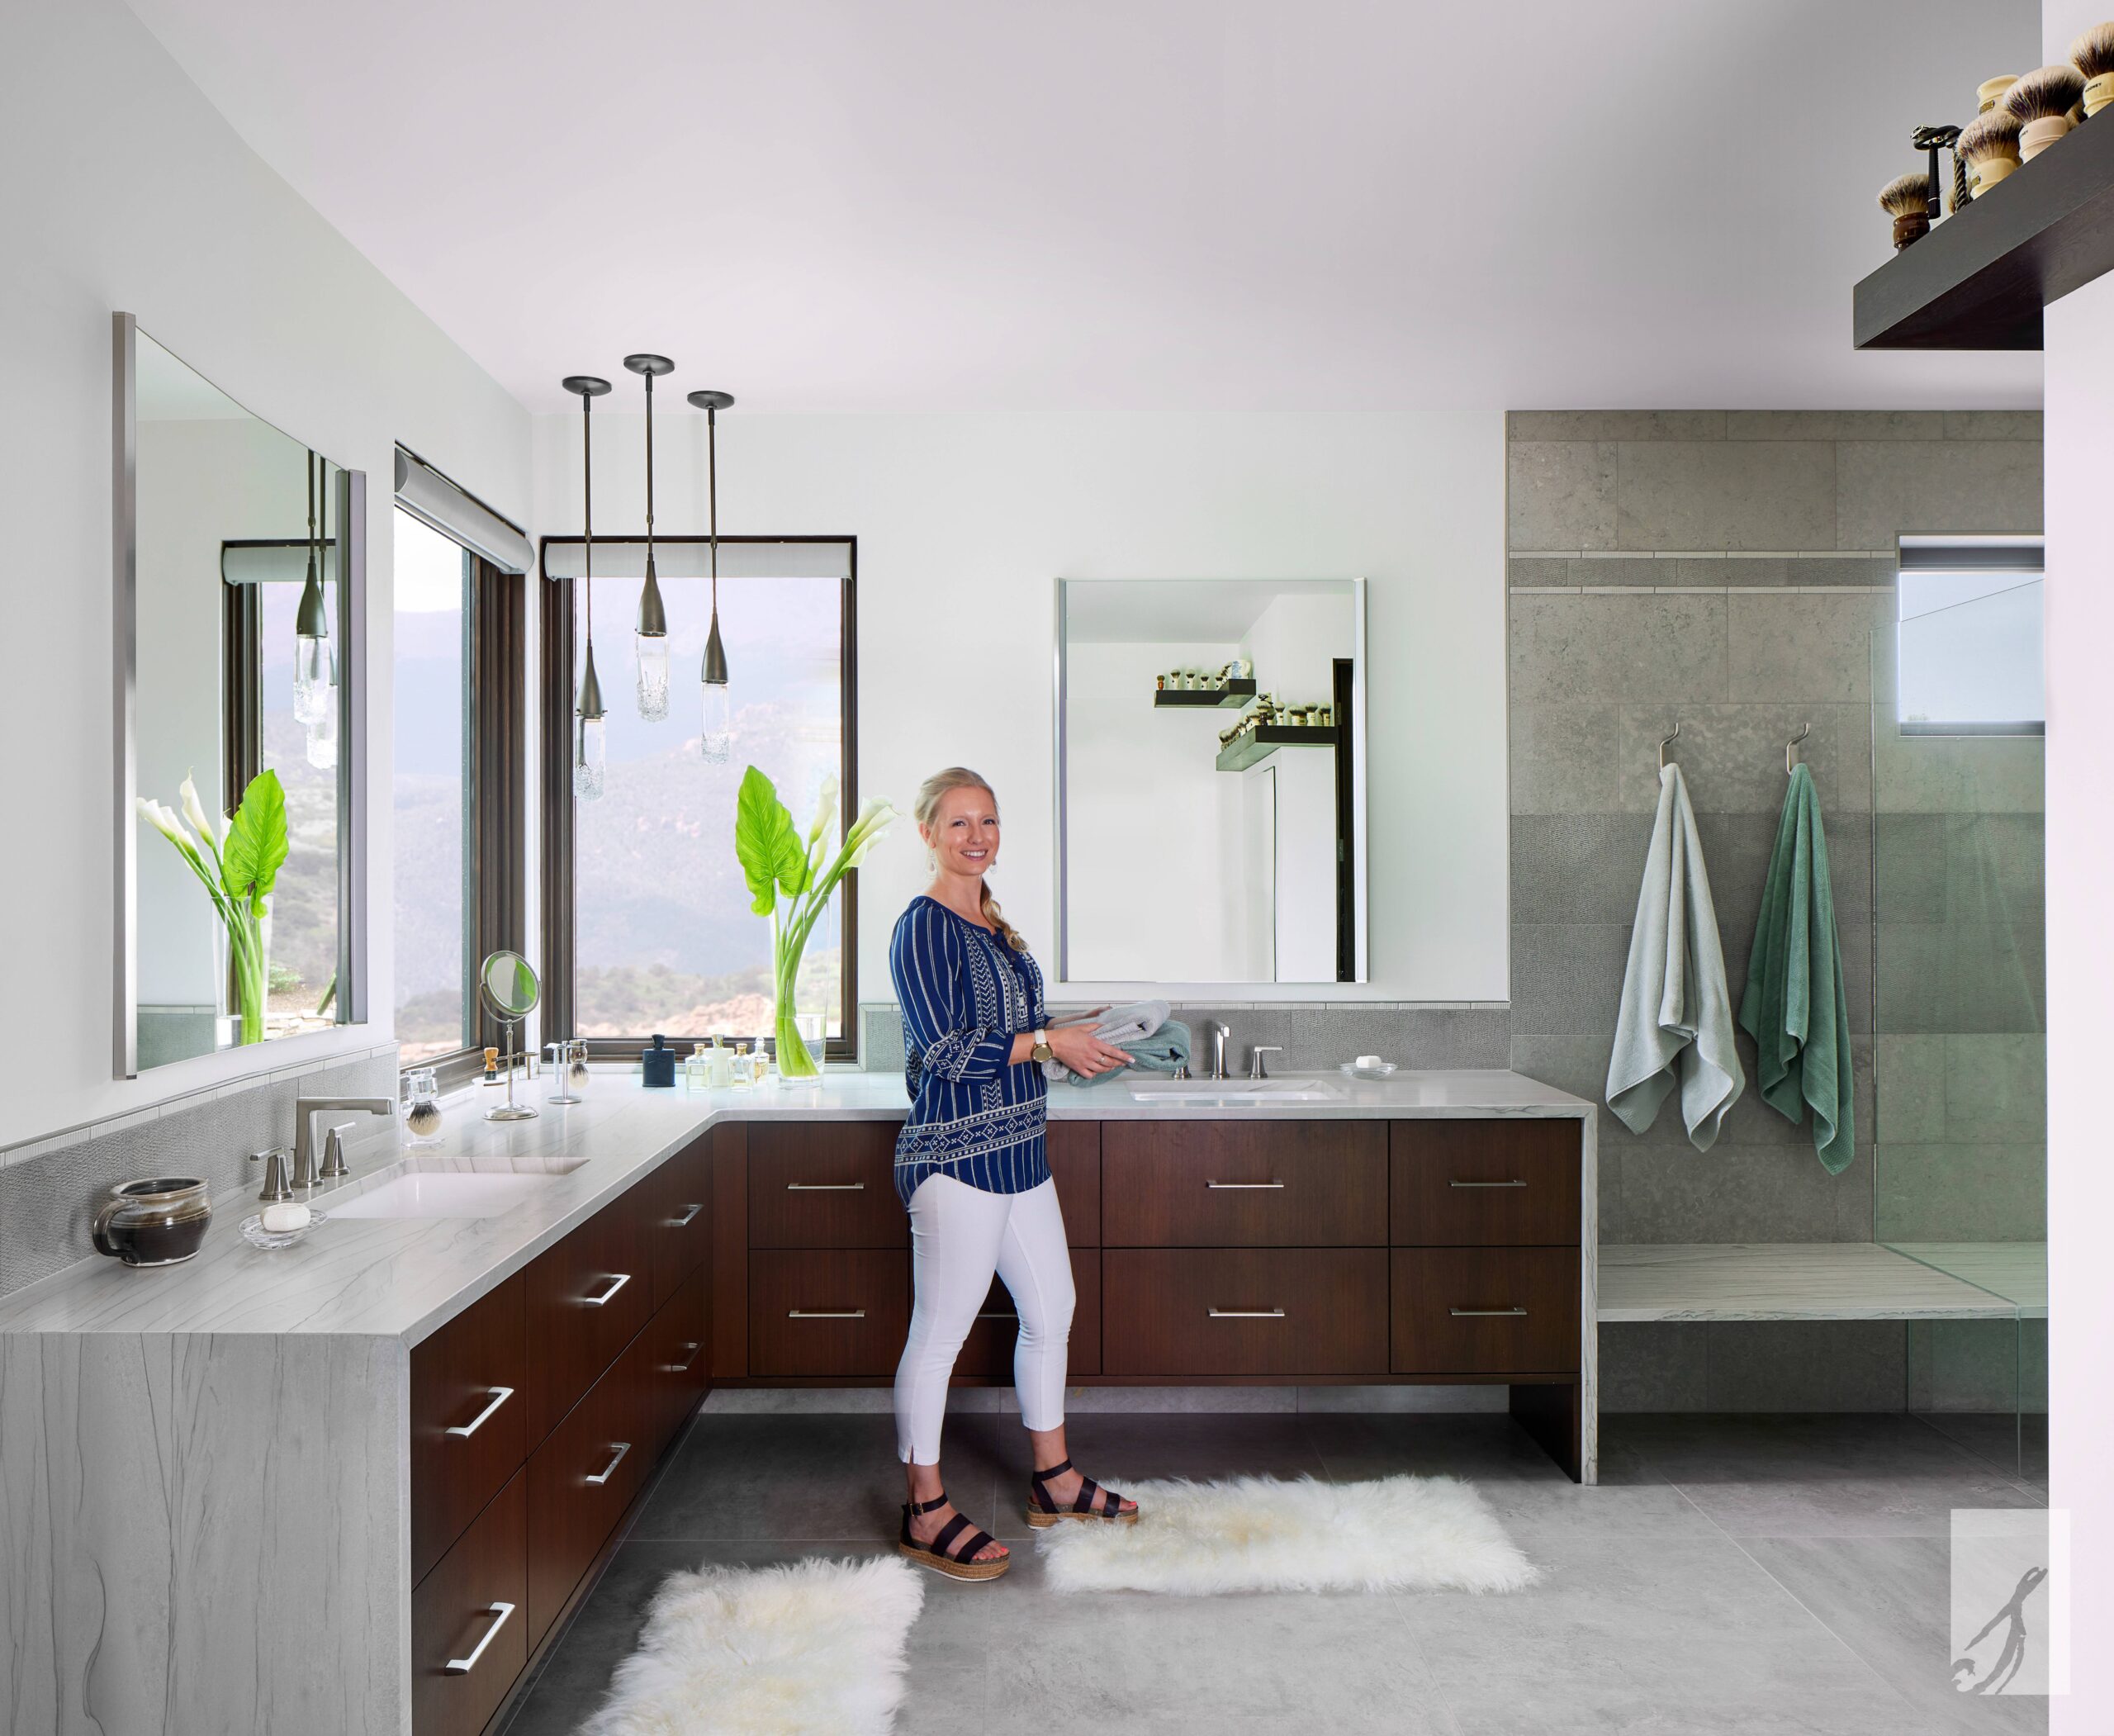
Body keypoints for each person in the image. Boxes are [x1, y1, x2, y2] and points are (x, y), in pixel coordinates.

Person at [888, 766, 1140, 1580]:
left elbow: (1011, 1037)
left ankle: (1054, 1477)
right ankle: (924, 1508)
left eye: (987, 821)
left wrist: (1069, 1041)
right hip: (956, 1157)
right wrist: (1044, 1043)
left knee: (1052, 1309)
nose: (976, 836)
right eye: (958, 823)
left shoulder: (995, 925)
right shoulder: (921, 926)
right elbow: (945, 1052)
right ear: (928, 832)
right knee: (941, 1332)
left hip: (1020, 1151)